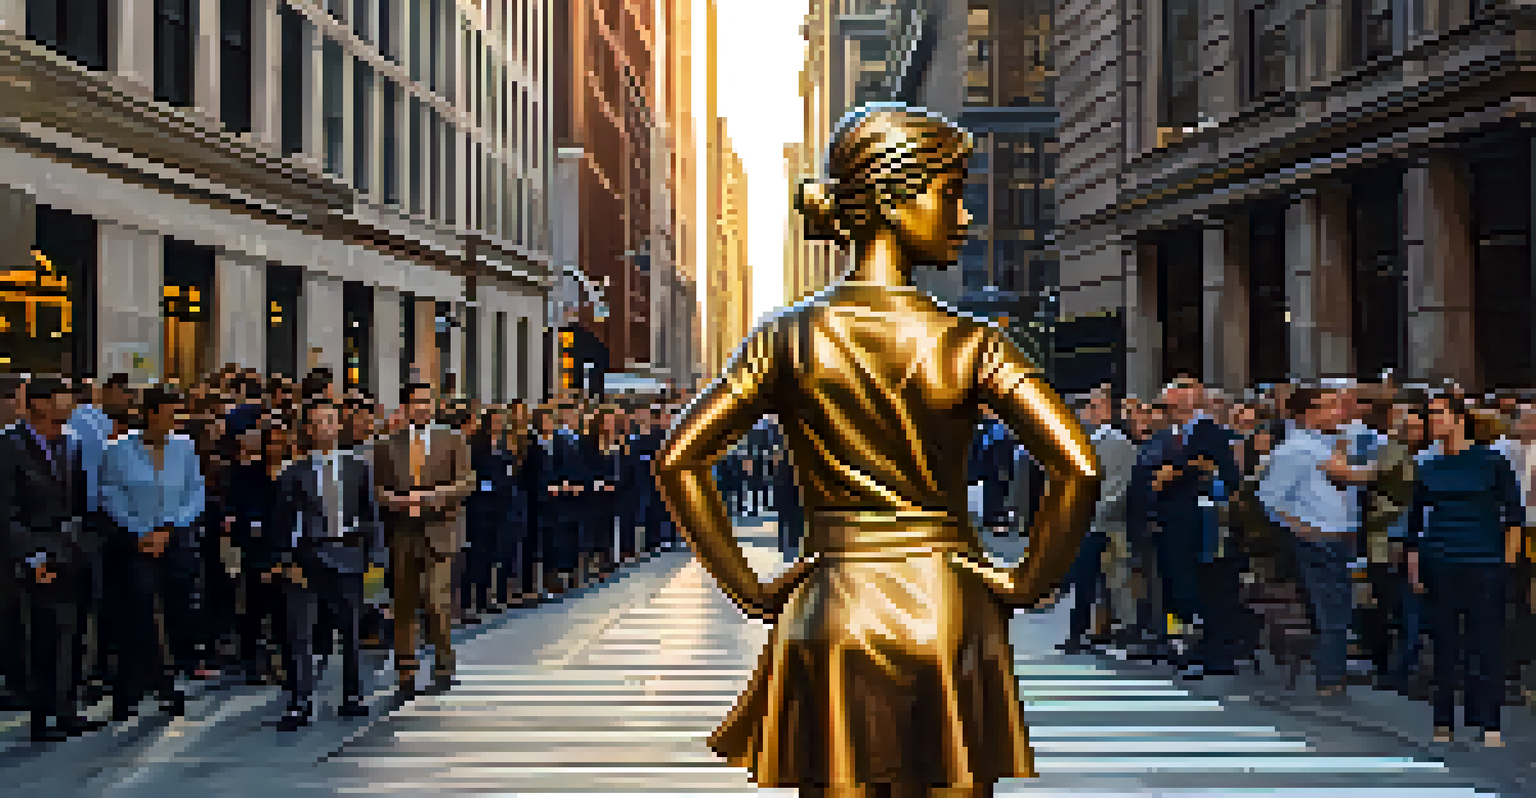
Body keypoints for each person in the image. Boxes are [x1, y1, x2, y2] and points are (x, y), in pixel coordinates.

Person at [655, 103, 1101, 797]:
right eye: (950, 193)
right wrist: (1027, 582)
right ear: (893, 200)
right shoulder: (972, 343)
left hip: (833, 604)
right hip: (946, 601)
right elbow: (1078, 465)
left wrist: (750, 591)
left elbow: (679, 457)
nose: (963, 217)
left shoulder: (786, 339)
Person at [1408, 393, 1524, 747]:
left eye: (1439, 414)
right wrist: (1414, 568)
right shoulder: (1427, 466)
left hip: (1485, 559)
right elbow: (1415, 523)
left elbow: (1513, 516)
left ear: (1459, 418)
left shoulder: (1491, 461)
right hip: (1440, 558)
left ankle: (1489, 721)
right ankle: (1443, 720)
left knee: (1486, 642)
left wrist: (1506, 561)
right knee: (1444, 642)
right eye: (1430, 416)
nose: (1433, 422)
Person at [0, 377, 106, 742]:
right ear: (40, 403)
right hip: (33, 558)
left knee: (73, 634)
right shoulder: (9, 445)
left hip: (71, 553)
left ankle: (66, 709)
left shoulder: (70, 443)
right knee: (40, 640)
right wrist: (32, 557)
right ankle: (42, 715)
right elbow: (6, 512)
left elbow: (76, 502)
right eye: (62, 397)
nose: (70, 403)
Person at [267, 400, 382, 729]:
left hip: (348, 555)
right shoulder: (293, 473)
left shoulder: (358, 467)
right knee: (299, 634)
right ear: (308, 429)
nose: (323, 428)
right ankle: (299, 701)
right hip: (306, 559)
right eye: (316, 423)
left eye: (328, 421)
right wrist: (285, 562)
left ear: (338, 425)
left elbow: (372, 516)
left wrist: (375, 561)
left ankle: (352, 696)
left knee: (351, 632)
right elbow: (283, 523)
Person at [99, 386, 203, 722]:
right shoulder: (118, 449)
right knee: (139, 612)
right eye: (171, 412)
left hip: (174, 539)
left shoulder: (184, 447)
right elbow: (110, 494)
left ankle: (167, 682)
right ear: (152, 413)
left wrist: (168, 528)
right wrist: (141, 532)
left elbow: (195, 492)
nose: (175, 419)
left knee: (176, 610)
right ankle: (130, 688)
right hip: (136, 542)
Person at [373, 383, 474, 700]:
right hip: (403, 531)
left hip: (440, 529)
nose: (422, 408)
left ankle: (444, 665)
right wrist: (395, 500)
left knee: (435, 599)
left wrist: (434, 496)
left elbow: (467, 482)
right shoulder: (388, 445)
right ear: (405, 407)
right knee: (403, 602)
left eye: (427, 402)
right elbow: (377, 489)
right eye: (416, 403)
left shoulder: (453, 439)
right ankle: (406, 669)